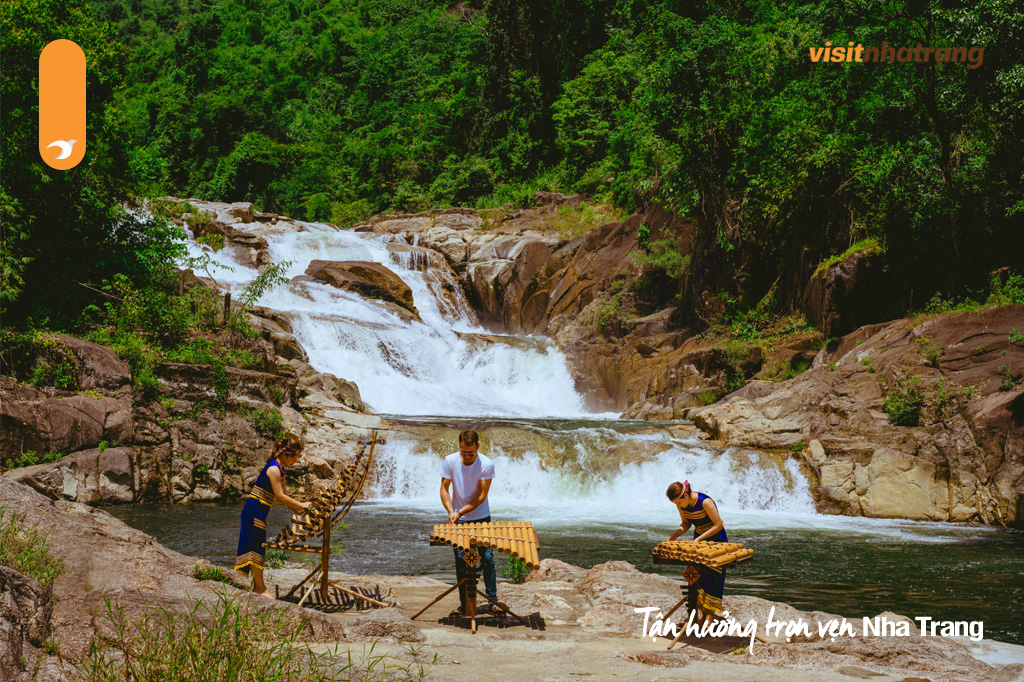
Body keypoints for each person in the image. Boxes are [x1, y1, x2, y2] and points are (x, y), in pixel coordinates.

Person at [235, 433, 310, 598]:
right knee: (256, 547)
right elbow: (280, 496)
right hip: (254, 512)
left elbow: (284, 496)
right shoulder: (274, 469)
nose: (296, 460)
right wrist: (302, 505)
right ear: (285, 454)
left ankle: (258, 587)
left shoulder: (281, 468)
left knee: (257, 546)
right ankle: (260, 589)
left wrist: (297, 510)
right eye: (295, 456)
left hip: (260, 511)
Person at [440, 429, 497, 616]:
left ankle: (492, 601)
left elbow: (481, 496)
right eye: (463, 452)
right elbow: (444, 488)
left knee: (487, 558)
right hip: (458, 519)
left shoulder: (486, 464)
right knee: (460, 561)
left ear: (478, 447)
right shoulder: (450, 461)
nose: (466, 456)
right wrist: (451, 512)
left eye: (470, 453)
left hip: (481, 517)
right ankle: (464, 604)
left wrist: (460, 511)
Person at [666, 480, 727, 626]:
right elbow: (686, 523)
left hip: (716, 540)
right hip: (699, 540)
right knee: (698, 575)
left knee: (712, 576)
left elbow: (719, 524)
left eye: (678, 503)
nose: (678, 506)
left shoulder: (705, 502)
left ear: (685, 495)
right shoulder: (682, 503)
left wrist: (699, 538)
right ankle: (699, 614)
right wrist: (675, 535)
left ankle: (709, 617)